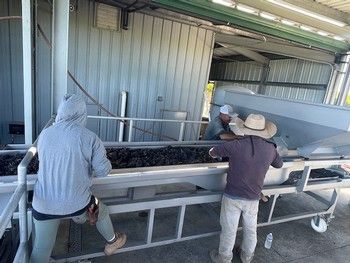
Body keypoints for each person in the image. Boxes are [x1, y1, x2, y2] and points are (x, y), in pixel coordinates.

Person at [30, 94, 126, 262]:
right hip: (78, 204)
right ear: (82, 113)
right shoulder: (89, 137)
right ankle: (113, 242)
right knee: (100, 211)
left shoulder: (44, 135)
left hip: (44, 204)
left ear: (61, 112)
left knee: (41, 249)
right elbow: (104, 170)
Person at [209, 113, 283, 263]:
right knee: (250, 229)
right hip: (253, 198)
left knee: (229, 230)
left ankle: (224, 258)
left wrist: (213, 151)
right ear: (264, 132)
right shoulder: (270, 148)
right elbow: (279, 164)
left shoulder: (236, 144)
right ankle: (246, 256)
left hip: (232, 196)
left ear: (245, 128)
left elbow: (213, 152)